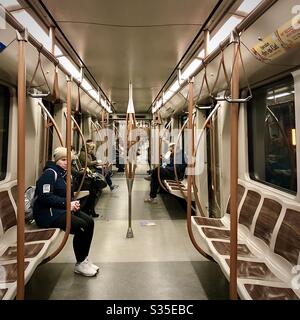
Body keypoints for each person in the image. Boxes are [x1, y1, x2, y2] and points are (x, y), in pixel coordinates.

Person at [33, 147, 98, 277]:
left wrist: (74, 202)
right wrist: (67, 204)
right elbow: (45, 197)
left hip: (60, 209)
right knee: (81, 226)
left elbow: (66, 193)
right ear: (56, 160)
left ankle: (84, 259)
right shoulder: (50, 174)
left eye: (68, 160)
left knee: (90, 222)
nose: (66, 162)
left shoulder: (65, 174)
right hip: (47, 214)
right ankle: (80, 264)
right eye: (63, 160)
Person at [71, 149, 103, 218]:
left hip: (79, 181)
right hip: (76, 184)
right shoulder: (69, 164)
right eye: (72, 152)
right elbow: (76, 173)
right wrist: (84, 171)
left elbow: (79, 169)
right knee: (89, 187)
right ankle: (87, 210)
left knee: (92, 190)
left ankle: (90, 210)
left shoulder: (74, 161)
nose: (74, 153)